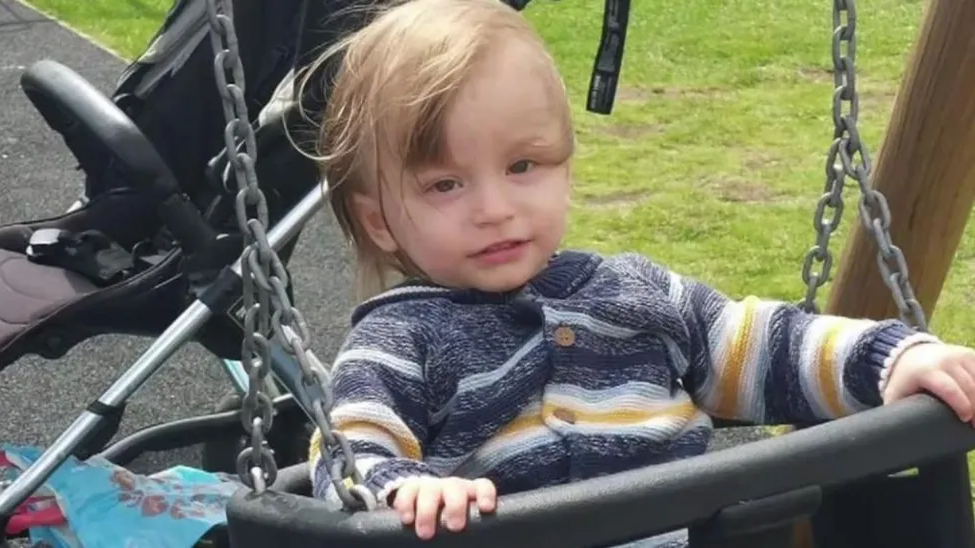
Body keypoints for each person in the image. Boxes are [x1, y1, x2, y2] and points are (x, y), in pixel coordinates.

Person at [297, 0, 975, 544]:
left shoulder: (634, 294)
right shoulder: (399, 340)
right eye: (445, 185)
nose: (494, 209)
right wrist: (403, 491)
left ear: (563, 162)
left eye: (522, 166)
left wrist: (885, 362)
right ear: (380, 220)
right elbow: (351, 440)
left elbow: (766, 344)